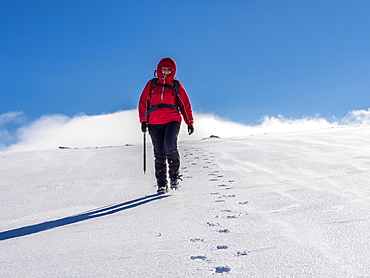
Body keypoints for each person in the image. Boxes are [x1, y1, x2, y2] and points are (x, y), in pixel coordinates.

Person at [138, 57, 194, 194]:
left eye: (169, 70)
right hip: (154, 121)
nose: (166, 72)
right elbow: (143, 101)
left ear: (173, 71)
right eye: (164, 69)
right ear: (159, 69)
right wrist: (143, 121)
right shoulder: (151, 84)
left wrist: (189, 122)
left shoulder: (176, 85)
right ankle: (161, 185)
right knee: (159, 154)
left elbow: (185, 104)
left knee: (170, 147)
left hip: (172, 119)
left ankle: (174, 177)